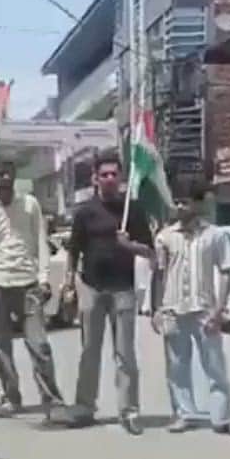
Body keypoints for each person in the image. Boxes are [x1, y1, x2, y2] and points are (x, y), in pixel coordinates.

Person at [150, 175, 230, 439]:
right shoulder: (165, 237)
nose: (180, 208)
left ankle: (223, 417)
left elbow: (226, 272)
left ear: (197, 204)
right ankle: (184, 414)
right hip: (173, 309)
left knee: (215, 367)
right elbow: (159, 275)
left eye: (185, 203)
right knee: (177, 366)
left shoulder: (215, 236)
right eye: (177, 203)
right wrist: (156, 310)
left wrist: (219, 310)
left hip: (205, 310)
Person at [65, 153, 152, 434]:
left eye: (114, 174)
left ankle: (129, 410)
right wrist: (68, 283)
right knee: (89, 351)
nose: (110, 179)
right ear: (95, 179)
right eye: (104, 175)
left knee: (125, 353)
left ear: (122, 177)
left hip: (123, 290)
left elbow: (150, 252)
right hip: (92, 288)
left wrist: (130, 246)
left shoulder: (133, 210)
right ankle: (84, 407)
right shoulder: (85, 211)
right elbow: (73, 250)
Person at [0, 161, 65, 417]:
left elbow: (41, 242)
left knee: (39, 344)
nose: (4, 177)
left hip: (27, 283)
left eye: (8, 173)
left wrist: (45, 278)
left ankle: (52, 400)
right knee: (1, 345)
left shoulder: (30, 204)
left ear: (14, 176)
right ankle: (11, 398)